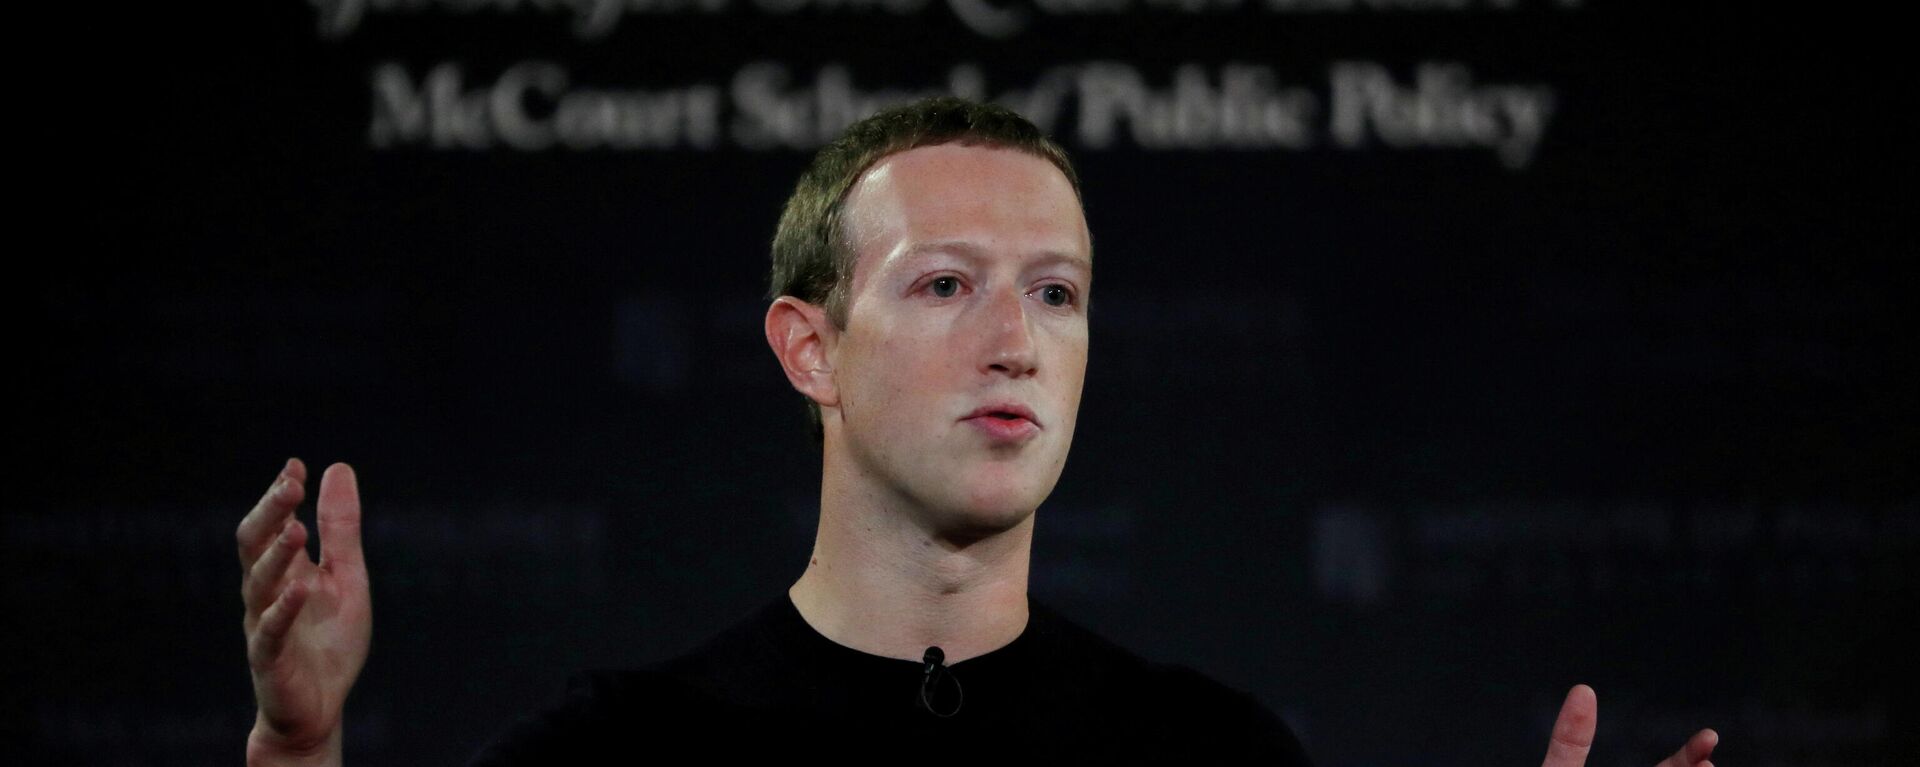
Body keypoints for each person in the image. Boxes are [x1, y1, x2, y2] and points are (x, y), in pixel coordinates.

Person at [235, 97, 1723, 765]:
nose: (1015, 341)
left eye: (1057, 294)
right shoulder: (619, 749)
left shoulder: (1207, 755)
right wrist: (296, 752)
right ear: (808, 346)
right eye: (944, 283)